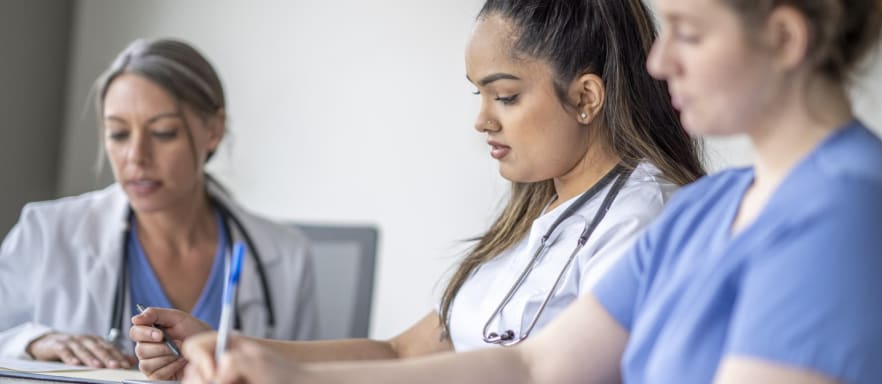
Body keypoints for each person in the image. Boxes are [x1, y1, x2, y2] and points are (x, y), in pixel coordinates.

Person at [180, 0, 882, 383]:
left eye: (689, 33)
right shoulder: (705, 213)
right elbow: (535, 365)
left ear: (785, 40)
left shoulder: (851, 218)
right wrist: (300, 377)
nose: (658, 66)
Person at [133, 0, 706, 380]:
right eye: (477, 96)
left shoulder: (645, 216)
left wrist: (297, 379)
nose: (483, 120)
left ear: (584, 97)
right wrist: (240, 350)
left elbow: (538, 370)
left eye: (504, 96)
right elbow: (400, 353)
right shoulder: (536, 218)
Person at [0, 38, 317, 369]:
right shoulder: (47, 232)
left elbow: (309, 375)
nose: (136, 156)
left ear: (213, 130)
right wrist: (35, 342)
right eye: (119, 134)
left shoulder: (285, 256)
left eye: (163, 133)